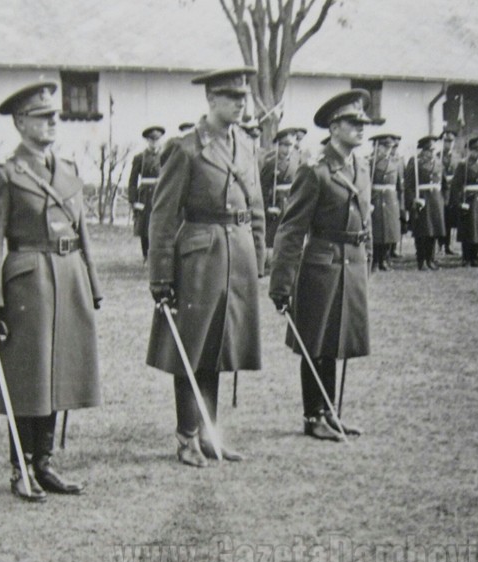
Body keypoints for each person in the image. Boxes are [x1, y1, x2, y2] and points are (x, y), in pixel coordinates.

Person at [0, 81, 103, 501]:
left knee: (60, 371)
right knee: (27, 376)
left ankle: (44, 462)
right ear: (19, 122)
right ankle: (20, 467)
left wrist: (92, 285)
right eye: (42, 116)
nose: (51, 122)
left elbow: (82, 233)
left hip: (68, 278)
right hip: (27, 282)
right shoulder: (2, 174)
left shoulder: (68, 170)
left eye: (55, 116)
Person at [146, 67, 265, 467]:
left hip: (237, 256)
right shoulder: (186, 149)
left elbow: (257, 207)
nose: (239, 104)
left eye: (243, 97)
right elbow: (162, 218)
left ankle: (211, 436)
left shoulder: (246, 146)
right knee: (191, 349)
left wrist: (259, 255)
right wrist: (161, 276)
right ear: (211, 100)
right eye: (231, 97)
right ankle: (187, 436)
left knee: (218, 349)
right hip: (199, 257)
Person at [269, 89, 373, 441]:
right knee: (316, 343)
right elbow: (291, 229)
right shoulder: (316, 172)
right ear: (333, 127)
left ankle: (330, 412)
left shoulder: (361, 166)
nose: (361, 128)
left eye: (363, 122)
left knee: (337, 340)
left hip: (352, 264)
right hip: (321, 266)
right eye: (352, 122)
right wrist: (281, 284)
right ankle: (313, 415)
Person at [449, 135, 478, 267]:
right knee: (469, 230)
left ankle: (477, 256)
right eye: (476, 150)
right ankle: (466, 257)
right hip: (469, 200)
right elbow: (456, 186)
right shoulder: (464, 165)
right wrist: (458, 202)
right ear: (471, 150)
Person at [404, 135, 445, 270]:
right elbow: (408, 185)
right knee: (422, 231)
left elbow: (443, 183)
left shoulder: (438, 162)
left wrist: (443, 198)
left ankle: (431, 259)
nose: (431, 153)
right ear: (423, 150)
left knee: (433, 231)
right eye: (429, 150)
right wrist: (413, 200)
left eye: (433, 150)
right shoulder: (415, 162)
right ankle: (421, 260)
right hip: (422, 199)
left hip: (435, 199)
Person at [261, 127, 301, 263]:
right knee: (273, 235)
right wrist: (267, 208)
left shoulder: (297, 161)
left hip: (291, 201)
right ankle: (270, 262)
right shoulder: (271, 163)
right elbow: (263, 188)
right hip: (276, 204)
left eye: (290, 145)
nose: (287, 149)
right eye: (284, 145)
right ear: (278, 144)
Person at [128, 125, 165, 262]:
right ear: (147, 141)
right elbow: (132, 180)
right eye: (151, 140)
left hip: (161, 194)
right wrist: (133, 200)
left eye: (157, 140)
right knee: (145, 227)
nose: (154, 143)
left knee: (161, 225)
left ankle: (158, 255)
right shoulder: (140, 158)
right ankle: (146, 255)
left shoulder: (166, 155)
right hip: (145, 196)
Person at [368, 133, 403, 271]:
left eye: (390, 147)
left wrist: (401, 204)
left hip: (390, 199)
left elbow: (400, 186)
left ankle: (385, 259)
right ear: (378, 147)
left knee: (389, 231)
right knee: (377, 232)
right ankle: (375, 261)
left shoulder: (395, 163)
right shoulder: (371, 162)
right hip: (376, 198)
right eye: (385, 147)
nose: (388, 150)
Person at [438, 129, 459, 255]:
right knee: (441, 218)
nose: (448, 144)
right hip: (441, 191)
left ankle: (448, 245)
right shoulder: (437, 156)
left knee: (450, 219)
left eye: (451, 141)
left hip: (453, 191)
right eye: (446, 141)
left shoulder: (457, 157)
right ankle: (440, 244)